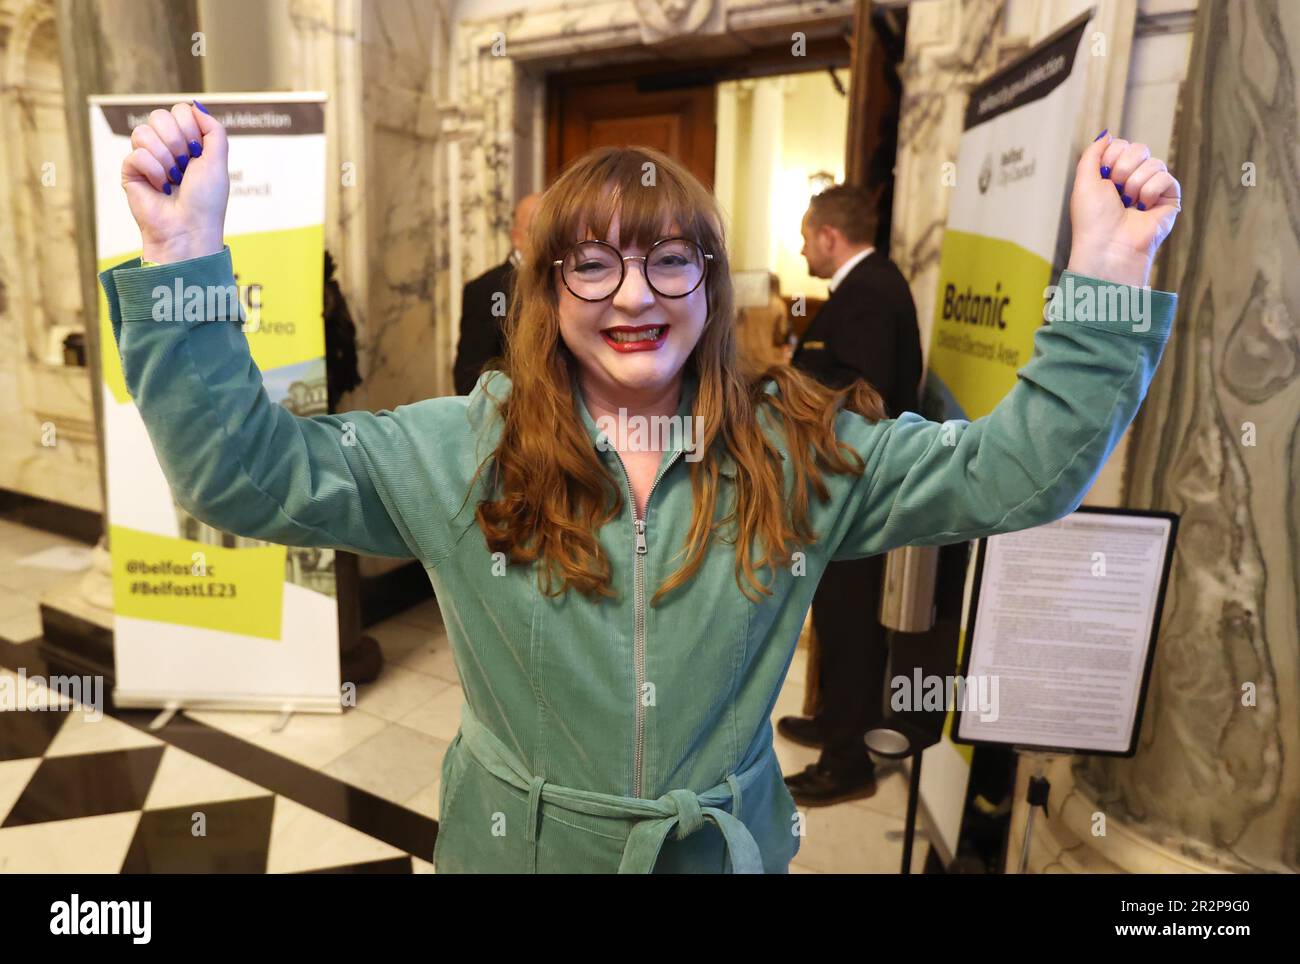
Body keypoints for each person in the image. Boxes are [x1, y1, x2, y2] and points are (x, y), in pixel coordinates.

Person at [103, 104, 1180, 873]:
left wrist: (1109, 279)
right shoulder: (458, 451)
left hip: (714, 852)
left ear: (711, 284)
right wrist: (183, 257)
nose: (634, 296)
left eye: (670, 262)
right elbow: (238, 474)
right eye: (593, 264)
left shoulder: (797, 451)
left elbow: (1020, 474)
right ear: (548, 287)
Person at [781, 184, 923, 805]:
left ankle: (848, 764)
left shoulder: (869, 293)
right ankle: (832, 722)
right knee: (836, 624)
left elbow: (866, 402)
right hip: (836, 492)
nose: (802, 247)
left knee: (854, 627)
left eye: (807, 235)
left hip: (856, 495)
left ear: (830, 237)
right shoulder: (866, 288)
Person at [453, 193, 541, 395]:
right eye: (538, 230)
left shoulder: (563, 280)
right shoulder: (489, 289)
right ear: (516, 237)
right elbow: (471, 375)